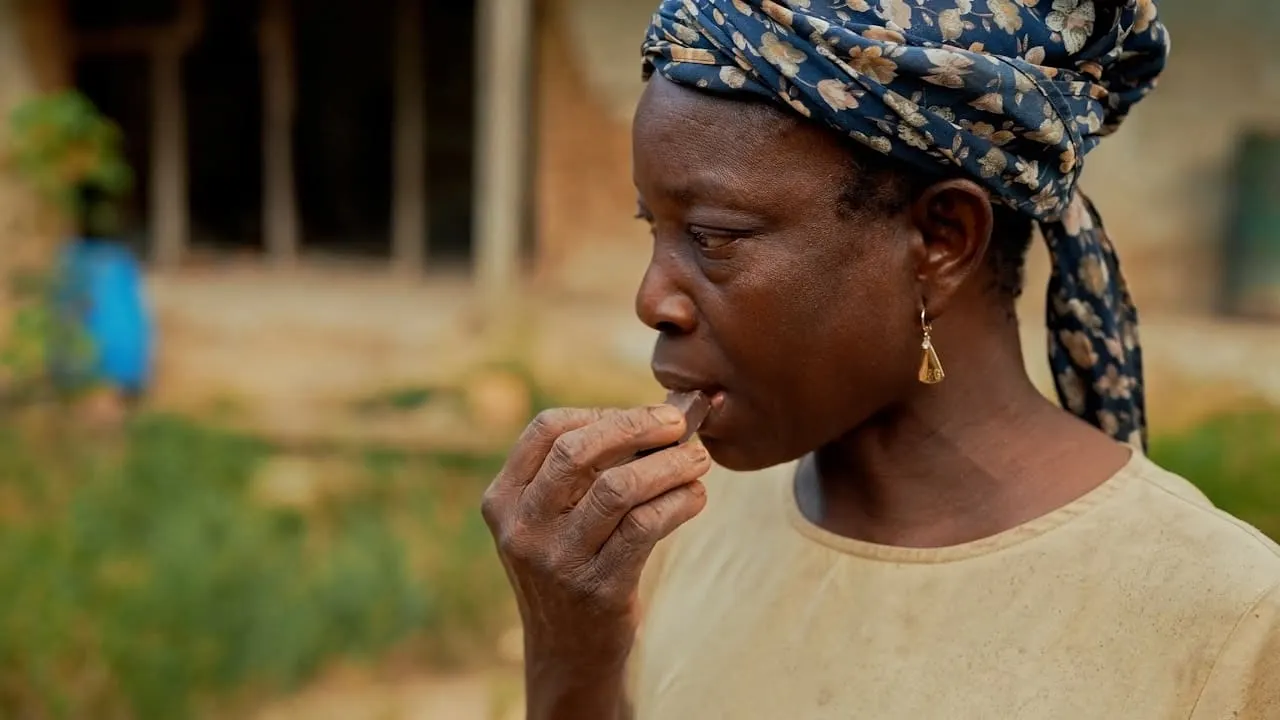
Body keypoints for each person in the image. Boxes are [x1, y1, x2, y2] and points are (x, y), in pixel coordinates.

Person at [481, 1, 1280, 717]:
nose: (653, 299)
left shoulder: (1230, 621)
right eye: (650, 226)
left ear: (941, 241)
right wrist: (571, 655)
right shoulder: (682, 525)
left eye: (715, 238)